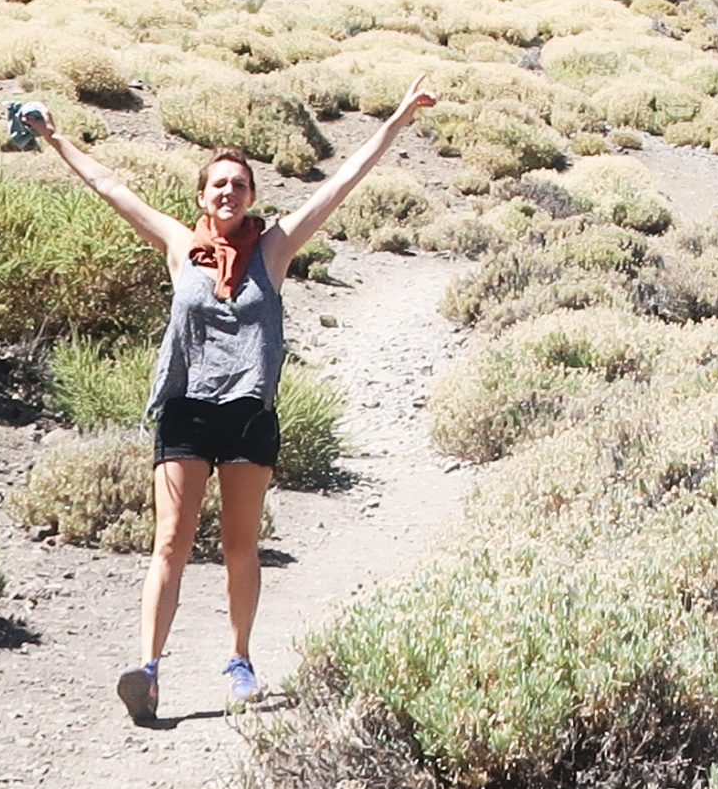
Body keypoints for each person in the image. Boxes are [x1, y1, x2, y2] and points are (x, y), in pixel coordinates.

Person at [23, 82, 434, 724]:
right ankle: (149, 670)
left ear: (251, 196)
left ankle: (240, 661)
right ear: (200, 196)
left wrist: (399, 118)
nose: (228, 193)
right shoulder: (178, 247)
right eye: (218, 184)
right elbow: (111, 186)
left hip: (247, 415)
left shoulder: (274, 248)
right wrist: (55, 138)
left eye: (239, 185)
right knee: (170, 542)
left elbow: (344, 181)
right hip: (187, 408)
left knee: (241, 546)